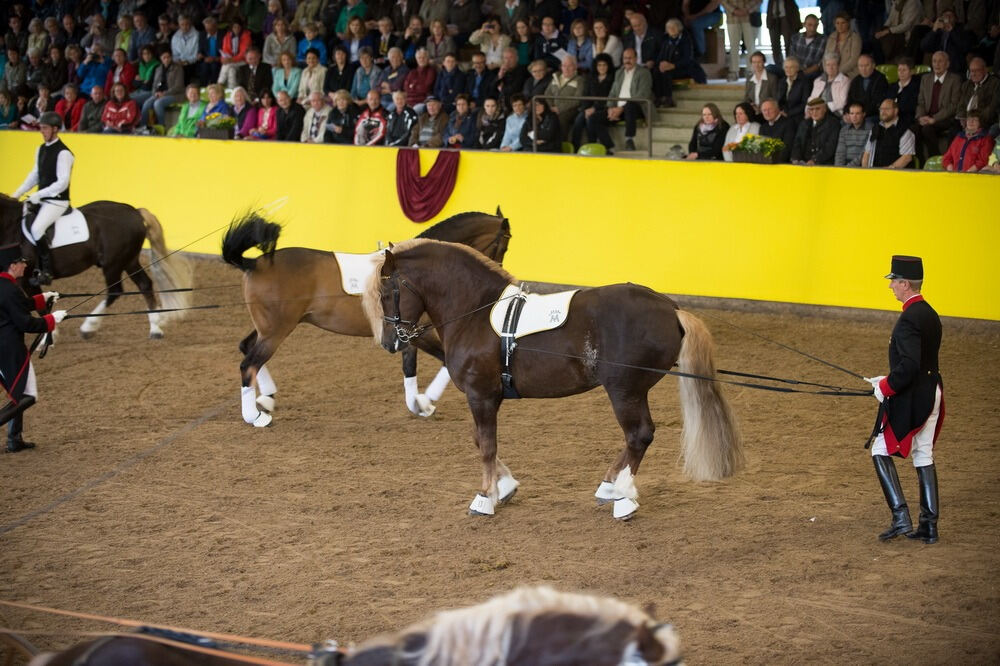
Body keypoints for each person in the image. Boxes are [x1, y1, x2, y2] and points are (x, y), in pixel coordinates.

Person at [864, 255, 943, 545]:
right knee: (923, 454)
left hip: (914, 396)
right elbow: (918, 361)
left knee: (880, 449)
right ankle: (928, 526)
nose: (891, 287)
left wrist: (885, 386)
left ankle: (900, 517)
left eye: (893, 282)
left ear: (905, 283)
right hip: (932, 390)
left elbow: (909, 366)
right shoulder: (929, 313)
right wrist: (886, 378)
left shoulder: (909, 318)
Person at [0, 243, 65, 452]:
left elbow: (18, 306)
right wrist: (52, 319)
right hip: (9, 349)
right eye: (22, 263)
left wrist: (42, 299)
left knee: (18, 393)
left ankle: (14, 439)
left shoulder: (6, 286)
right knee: (28, 395)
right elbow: (26, 323)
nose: (25, 266)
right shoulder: (9, 289)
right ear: (12, 265)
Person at [10, 111, 74, 286]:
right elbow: (35, 175)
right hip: (42, 198)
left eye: (45, 128)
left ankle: (46, 270)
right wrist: (15, 195)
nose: (42, 131)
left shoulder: (64, 153)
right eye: (41, 128)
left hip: (57, 201)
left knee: (37, 228)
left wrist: (39, 194)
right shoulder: (41, 149)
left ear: (55, 129)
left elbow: (62, 183)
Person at [593, 47, 652, 153]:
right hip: (618, 109)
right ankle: (610, 147)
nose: (627, 60)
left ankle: (629, 140)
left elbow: (642, 95)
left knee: (630, 105)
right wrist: (611, 108)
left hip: (637, 108)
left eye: (630, 58)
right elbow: (612, 93)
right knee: (594, 118)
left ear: (636, 59)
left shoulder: (644, 73)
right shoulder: (619, 72)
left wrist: (621, 108)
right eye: (625, 58)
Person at [915, 50, 962, 161]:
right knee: (913, 130)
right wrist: (921, 117)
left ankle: (936, 159)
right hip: (927, 118)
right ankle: (920, 162)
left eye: (940, 61)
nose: (937, 64)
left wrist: (934, 119)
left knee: (927, 130)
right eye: (934, 61)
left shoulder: (955, 79)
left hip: (945, 118)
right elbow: (921, 102)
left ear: (947, 64)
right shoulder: (925, 79)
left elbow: (954, 105)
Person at [655, 18, 706, 109]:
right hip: (669, 67)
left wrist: (673, 65)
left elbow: (687, 59)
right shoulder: (666, 41)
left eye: (674, 27)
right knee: (656, 71)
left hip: (684, 68)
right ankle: (659, 97)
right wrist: (661, 64)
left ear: (679, 28)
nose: (671, 29)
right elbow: (660, 56)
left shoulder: (686, 40)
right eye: (669, 28)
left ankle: (668, 98)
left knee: (667, 73)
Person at [861, 98, 915, 168]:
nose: (883, 111)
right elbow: (867, 153)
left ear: (896, 111)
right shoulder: (875, 129)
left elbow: (906, 158)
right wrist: (864, 171)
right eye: (881, 109)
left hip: (896, 175)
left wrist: (886, 171)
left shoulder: (905, 131)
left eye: (887, 109)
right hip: (874, 173)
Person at [543, 54, 584, 140]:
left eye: (569, 66)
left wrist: (560, 108)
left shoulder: (580, 80)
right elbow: (547, 93)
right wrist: (551, 107)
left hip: (570, 110)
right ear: (561, 67)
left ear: (575, 67)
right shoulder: (555, 77)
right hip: (552, 108)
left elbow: (578, 99)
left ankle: (561, 144)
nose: (566, 68)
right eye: (564, 65)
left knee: (561, 118)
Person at [142, 50, 184, 130]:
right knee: (147, 104)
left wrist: (164, 94)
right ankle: (143, 127)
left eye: (168, 57)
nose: (166, 59)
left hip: (174, 94)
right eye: (164, 57)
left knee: (158, 103)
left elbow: (178, 86)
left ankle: (161, 127)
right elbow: (154, 85)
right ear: (161, 58)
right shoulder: (158, 69)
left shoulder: (177, 68)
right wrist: (155, 93)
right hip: (159, 94)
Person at [790, 96, 839, 165]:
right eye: (811, 109)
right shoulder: (804, 124)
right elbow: (797, 143)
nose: (814, 112)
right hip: (803, 163)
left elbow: (830, 147)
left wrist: (815, 160)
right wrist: (795, 158)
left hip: (824, 164)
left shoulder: (833, 124)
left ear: (825, 109)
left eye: (817, 109)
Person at [956, 57, 999, 130]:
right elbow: (961, 106)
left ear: (985, 70)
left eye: (977, 70)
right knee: (953, 130)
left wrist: (975, 121)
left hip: (985, 122)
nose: (973, 74)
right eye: (972, 71)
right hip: (967, 122)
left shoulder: (995, 84)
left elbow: (991, 109)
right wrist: (963, 119)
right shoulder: (966, 85)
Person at [721, 0, 759, 82]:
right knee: (733, 46)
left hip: (750, 16)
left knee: (751, 46)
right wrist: (734, 10)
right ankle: (733, 71)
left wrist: (746, 10)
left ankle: (751, 71)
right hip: (732, 17)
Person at [846, 54, 889, 123]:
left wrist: (862, 114)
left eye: (866, 65)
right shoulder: (855, 80)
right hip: (857, 114)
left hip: (872, 115)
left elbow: (878, 103)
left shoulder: (881, 79)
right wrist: (847, 113)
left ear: (873, 65)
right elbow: (850, 100)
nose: (863, 69)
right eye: (861, 66)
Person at [809, 53, 850, 118]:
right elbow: (812, 97)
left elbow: (842, 102)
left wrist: (824, 106)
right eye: (828, 65)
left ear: (838, 66)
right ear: (825, 67)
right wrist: (808, 108)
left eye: (834, 65)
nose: (831, 68)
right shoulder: (818, 80)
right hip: (817, 111)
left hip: (834, 112)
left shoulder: (844, 81)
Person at [786, 13, 825, 79]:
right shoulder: (796, 37)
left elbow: (818, 63)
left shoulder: (823, 40)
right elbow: (791, 57)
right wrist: (793, 71)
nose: (812, 28)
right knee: (772, 68)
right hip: (794, 69)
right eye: (810, 25)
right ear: (804, 24)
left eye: (815, 25)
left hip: (811, 72)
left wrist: (803, 73)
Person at [824, 11, 861, 79]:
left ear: (848, 23)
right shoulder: (832, 36)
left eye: (843, 23)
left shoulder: (855, 38)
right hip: (831, 72)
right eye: (837, 23)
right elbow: (825, 56)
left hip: (849, 73)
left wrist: (838, 71)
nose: (840, 26)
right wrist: (827, 71)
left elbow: (854, 60)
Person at [757, 97, 794, 162]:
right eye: (764, 110)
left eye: (769, 109)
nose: (767, 112)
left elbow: (787, 148)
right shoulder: (763, 127)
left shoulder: (788, 123)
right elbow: (761, 149)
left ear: (777, 109)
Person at [766, 0, 801, 68]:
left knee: (788, 44)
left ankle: (790, 65)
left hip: (787, 18)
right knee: (775, 45)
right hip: (773, 19)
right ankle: (779, 66)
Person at [743, 50, 778, 117]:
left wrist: (761, 108)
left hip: (767, 111)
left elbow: (774, 98)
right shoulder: (749, 78)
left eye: (759, 62)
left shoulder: (772, 78)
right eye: (754, 62)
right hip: (752, 111)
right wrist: (751, 105)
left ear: (764, 62)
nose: (756, 65)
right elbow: (746, 97)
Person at [778, 56, 810, 128]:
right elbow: (779, 100)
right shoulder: (782, 81)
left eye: (791, 67)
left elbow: (804, 103)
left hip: (798, 116)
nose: (788, 70)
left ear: (797, 68)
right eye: (786, 67)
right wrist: (782, 111)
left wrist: (788, 113)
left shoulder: (805, 82)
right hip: (783, 113)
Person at [889, 56, 920, 130]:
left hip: (907, 119)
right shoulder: (893, 86)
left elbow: (911, 107)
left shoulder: (916, 87)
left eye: (904, 70)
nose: (901, 73)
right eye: (899, 70)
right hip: (891, 117)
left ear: (912, 71)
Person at [835, 102, 869, 166]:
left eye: (857, 113)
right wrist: (838, 168)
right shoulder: (844, 130)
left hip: (861, 165)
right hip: (845, 164)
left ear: (863, 114)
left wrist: (849, 167)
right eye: (852, 113)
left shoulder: (870, 129)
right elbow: (840, 153)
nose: (854, 116)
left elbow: (865, 153)